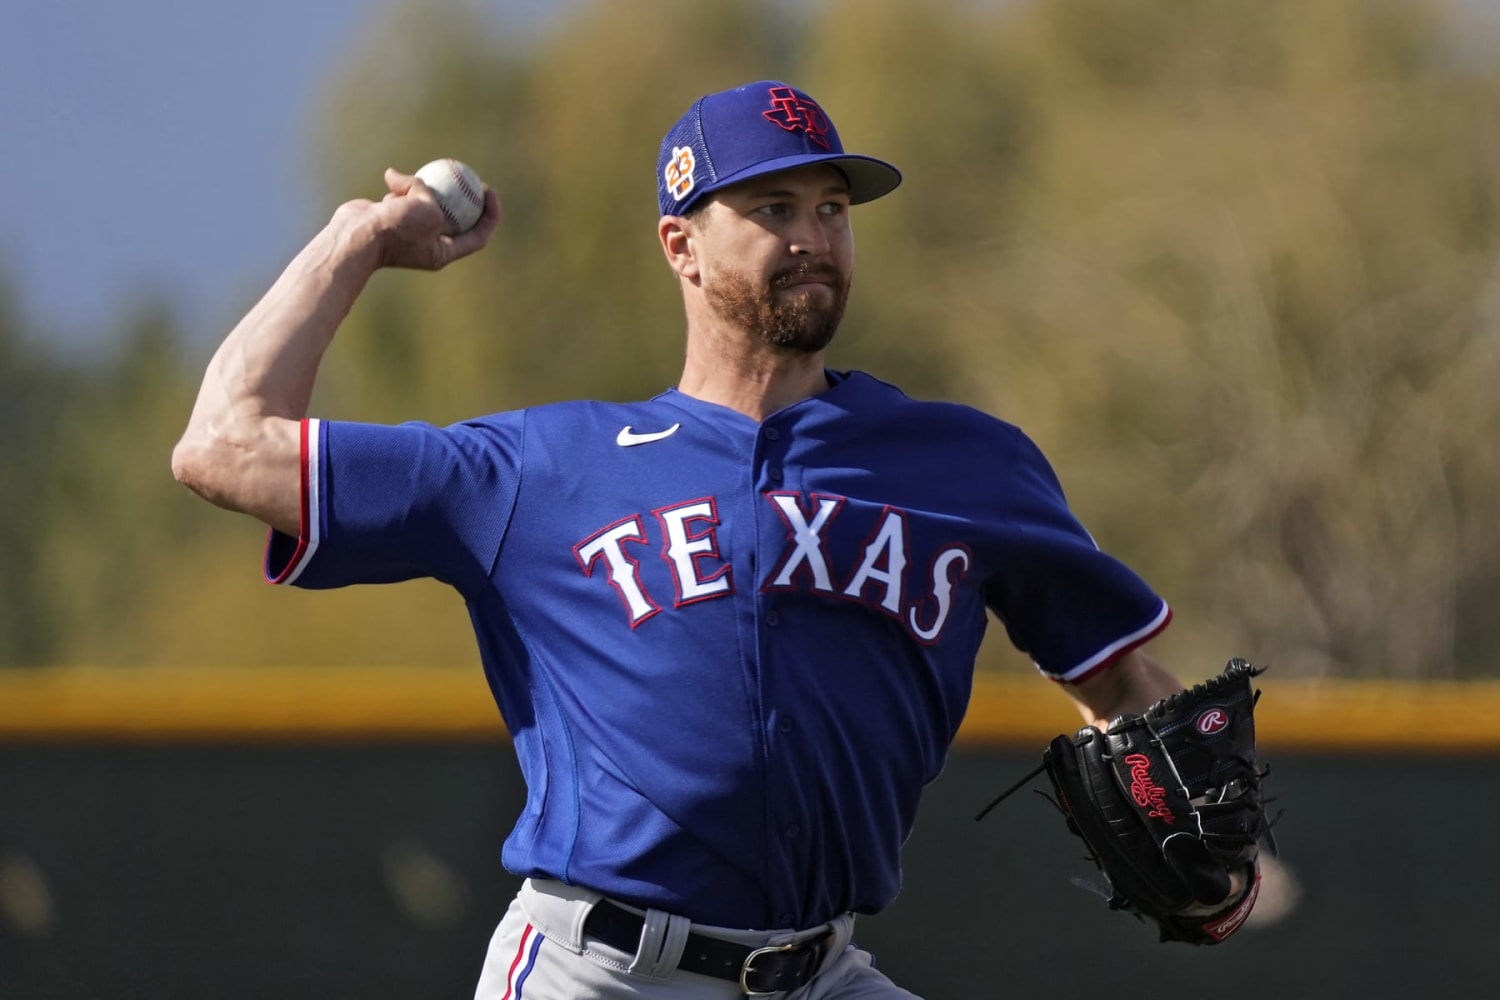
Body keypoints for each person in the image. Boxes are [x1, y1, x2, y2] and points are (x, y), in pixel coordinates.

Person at [172, 80, 1202, 999]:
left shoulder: (964, 464)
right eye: (772, 209)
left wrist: (1205, 838)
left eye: (832, 209)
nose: (815, 236)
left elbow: (1118, 680)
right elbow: (222, 446)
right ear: (682, 245)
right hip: (600, 972)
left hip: (820, 968)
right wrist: (356, 239)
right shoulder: (538, 470)